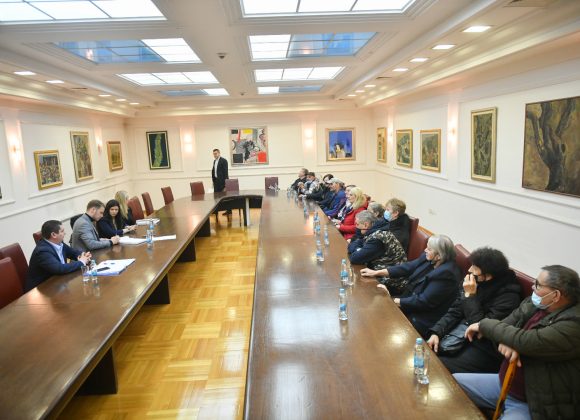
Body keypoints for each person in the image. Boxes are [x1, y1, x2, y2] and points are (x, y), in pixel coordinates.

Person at [455, 265, 580, 420]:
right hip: (503, 383)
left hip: (534, 402)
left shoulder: (574, 324)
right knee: (452, 384)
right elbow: (504, 326)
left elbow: (527, 341)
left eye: (538, 285)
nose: (533, 288)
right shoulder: (533, 304)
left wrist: (484, 325)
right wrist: (509, 341)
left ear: (556, 295)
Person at [426, 247, 521, 373]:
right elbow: (455, 311)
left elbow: (482, 328)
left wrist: (470, 296)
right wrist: (436, 333)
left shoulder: (509, 297)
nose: (470, 270)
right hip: (460, 334)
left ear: (488, 276)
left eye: (475, 267)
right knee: (426, 351)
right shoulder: (475, 281)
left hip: (482, 348)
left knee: (437, 366)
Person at [361, 234, 461, 338]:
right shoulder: (430, 258)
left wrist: (391, 300)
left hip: (420, 318)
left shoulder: (447, 275)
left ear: (439, 256)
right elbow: (407, 267)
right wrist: (376, 272)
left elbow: (423, 301)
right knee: (373, 307)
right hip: (408, 301)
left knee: (380, 323)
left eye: (429, 249)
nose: (425, 250)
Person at [25, 220, 91, 292]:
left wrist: (83, 255)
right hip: (41, 289)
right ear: (54, 235)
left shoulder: (58, 243)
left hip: (58, 282)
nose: (65, 233)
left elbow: (73, 253)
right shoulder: (42, 251)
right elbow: (59, 268)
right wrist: (81, 262)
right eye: (62, 231)